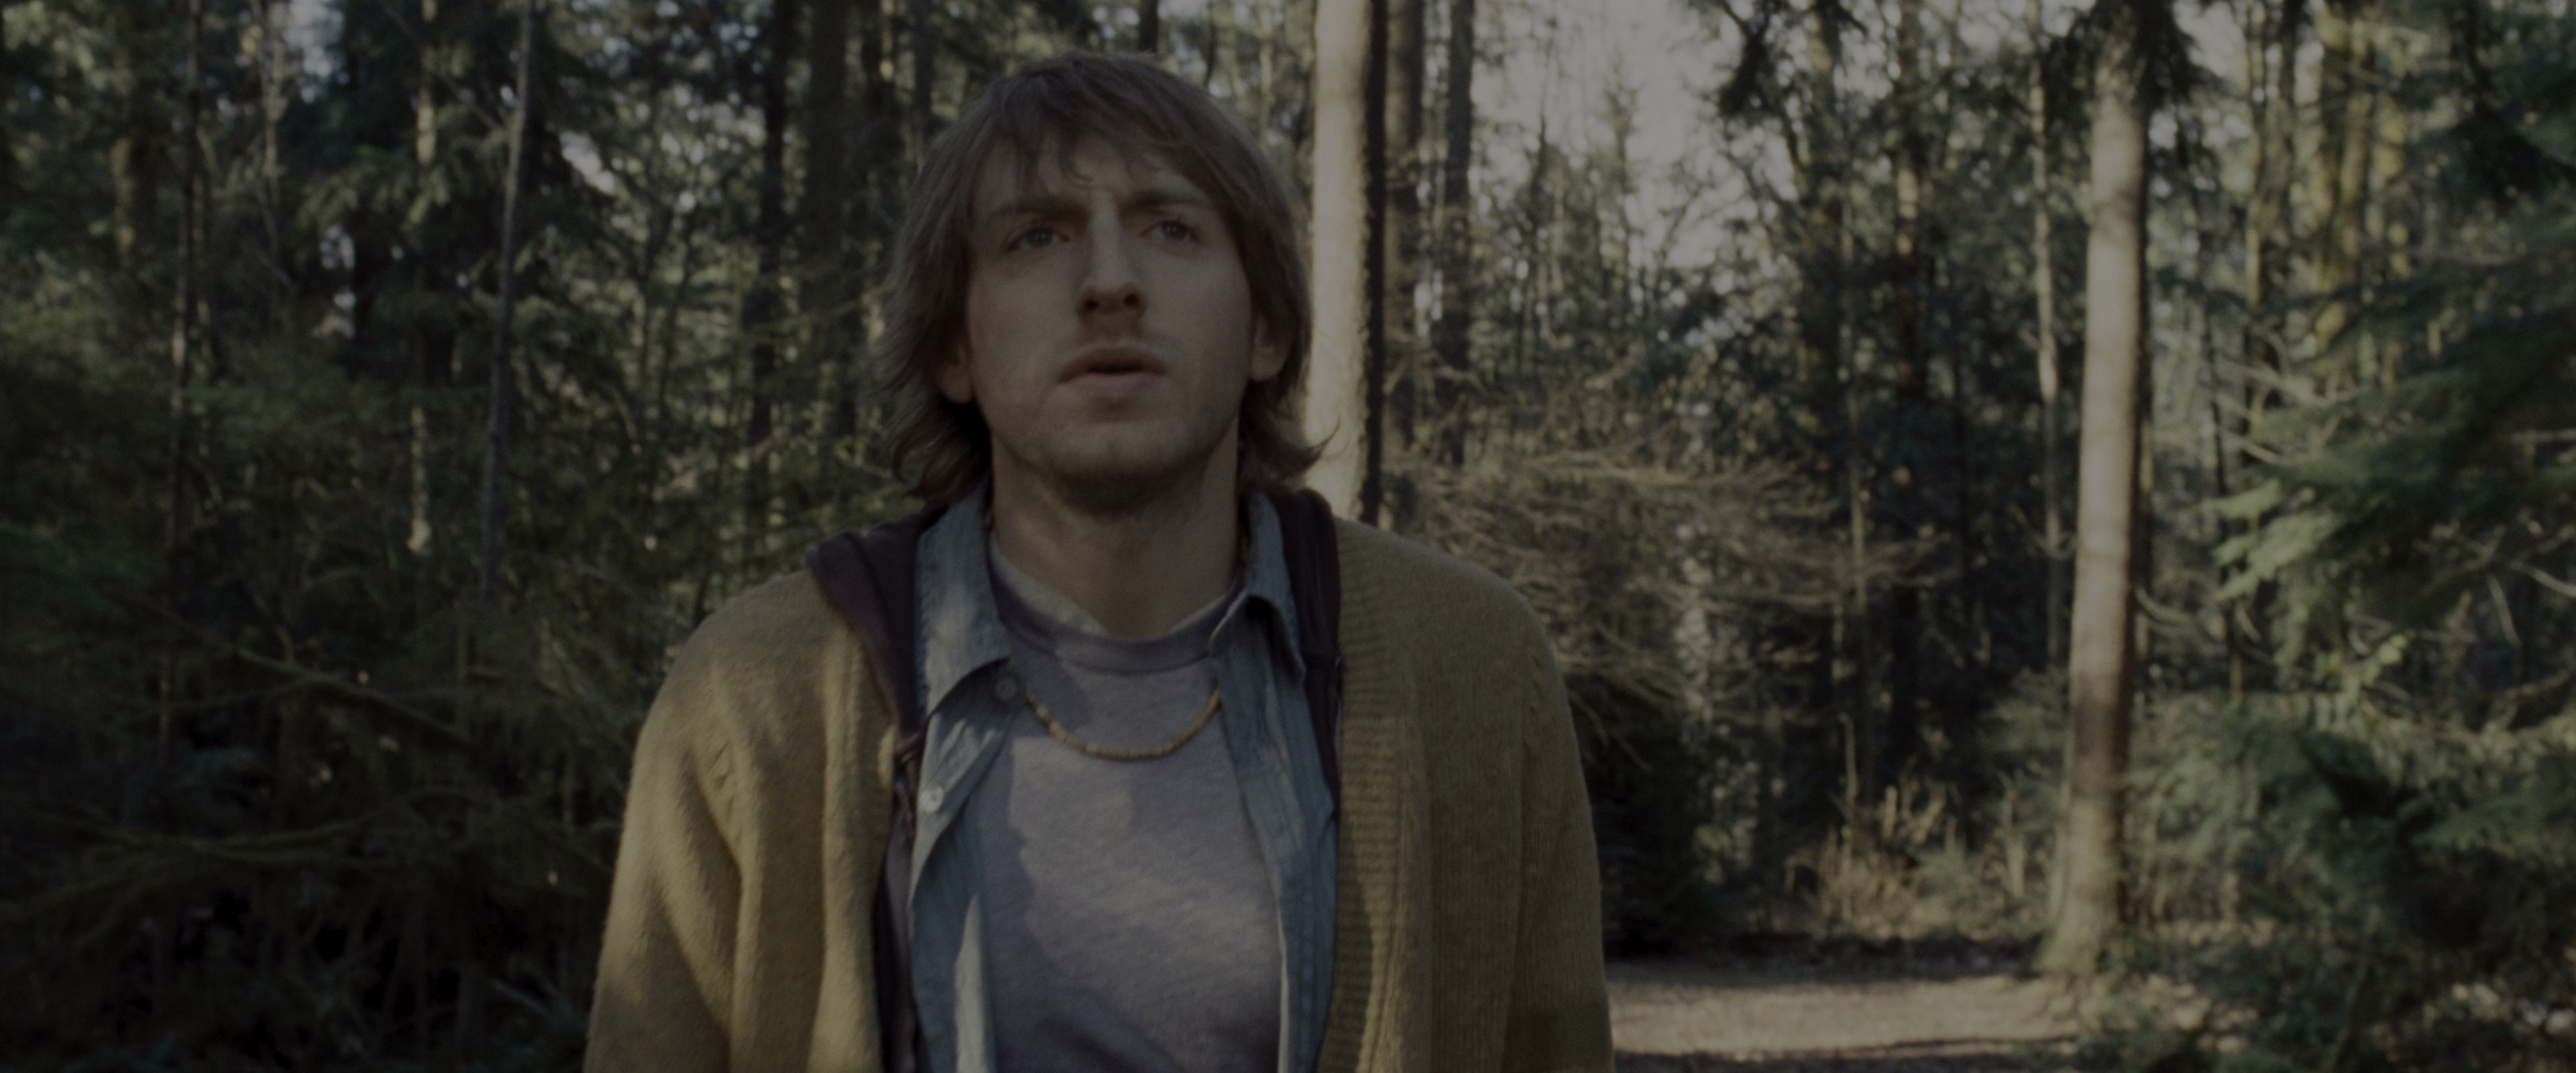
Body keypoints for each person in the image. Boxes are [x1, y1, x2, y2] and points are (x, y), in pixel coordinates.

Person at [586, 52, 1609, 1073]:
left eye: (1172, 229)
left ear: (1266, 328)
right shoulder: (752, 700)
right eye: (1037, 236)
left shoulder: (1473, 670)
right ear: (954, 347)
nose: (1111, 283)